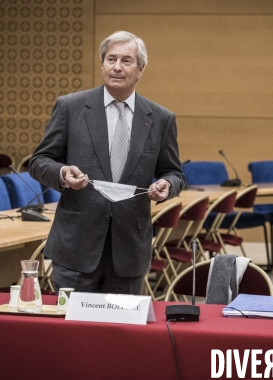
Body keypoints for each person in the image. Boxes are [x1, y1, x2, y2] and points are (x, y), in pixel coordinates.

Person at [29, 30, 185, 295]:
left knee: (120, 334)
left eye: (126, 60)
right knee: (73, 334)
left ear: (141, 69)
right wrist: (63, 172)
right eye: (111, 59)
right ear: (102, 64)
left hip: (129, 251)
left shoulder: (160, 119)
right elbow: (39, 161)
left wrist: (167, 185)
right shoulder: (71, 107)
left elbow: (174, 172)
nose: (117, 67)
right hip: (76, 247)